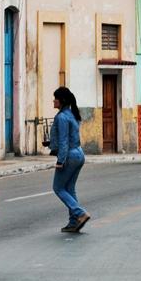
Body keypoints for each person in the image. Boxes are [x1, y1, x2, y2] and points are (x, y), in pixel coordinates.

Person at [50, 87, 90, 232]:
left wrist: (60, 161)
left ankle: (80, 213)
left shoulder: (61, 117)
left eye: (55, 98)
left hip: (69, 156)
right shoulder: (71, 114)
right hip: (79, 154)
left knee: (58, 188)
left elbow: (64, 141)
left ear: (61, 100)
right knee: (69, 188)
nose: (53, 101)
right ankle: (74, 222)